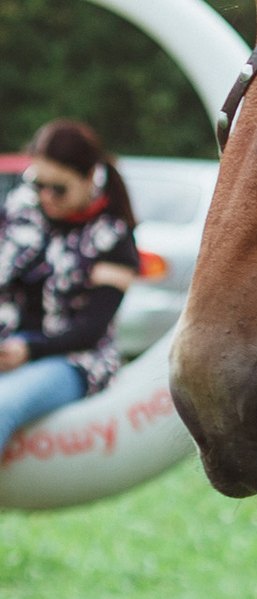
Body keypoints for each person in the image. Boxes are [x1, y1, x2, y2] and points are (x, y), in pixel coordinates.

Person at [0, 117, 142, 458]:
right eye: (38, 183)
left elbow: (90, 330)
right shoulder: (20, 208)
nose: (46, 196)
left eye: (59, 188)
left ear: (90, 177)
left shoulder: (112, 235)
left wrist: (27, 351)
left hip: (72, 360)